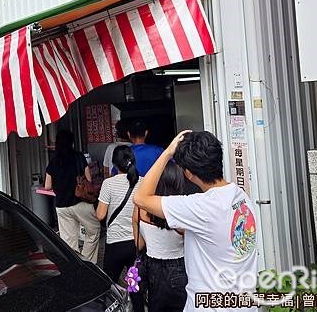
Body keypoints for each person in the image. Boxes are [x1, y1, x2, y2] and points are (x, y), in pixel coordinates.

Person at [134, 131, 258, 312]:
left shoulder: (202, 207)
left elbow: (141, 198)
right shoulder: (240, 196)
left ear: (189, 173)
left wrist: (168, 152)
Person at [133, 161, 188, 312]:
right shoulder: (182, 216)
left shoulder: (139, 210)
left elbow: (139, 245)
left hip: (152, 268)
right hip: (178, 267)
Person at [96, 145, 144, 312]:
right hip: (136, 244)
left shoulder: (108, 183)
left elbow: (100, 215)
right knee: (135, 288)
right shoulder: (143, 181)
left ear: (115, 164)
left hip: (115, 245)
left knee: (109, 287)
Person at [45, 129, 101, 263]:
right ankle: (87, 263)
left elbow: (47, 186)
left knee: (69, 241)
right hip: (80, 203)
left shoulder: (53, 161)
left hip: (61, 206)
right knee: (93, 231)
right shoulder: (78, 156)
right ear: (72, 142)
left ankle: (75, 266)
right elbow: (88, 179)